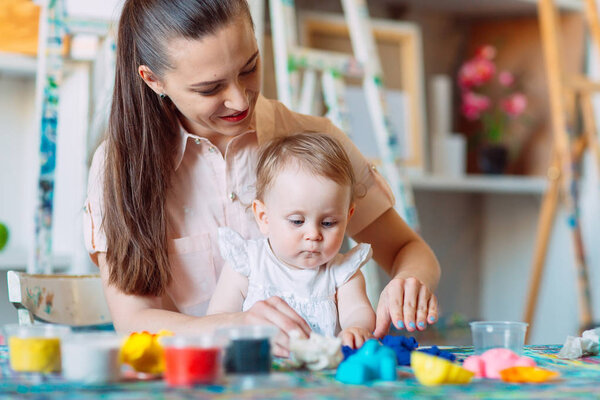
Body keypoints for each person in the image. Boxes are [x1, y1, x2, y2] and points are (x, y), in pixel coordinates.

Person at [83, 0, 440, 356]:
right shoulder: (120, 168)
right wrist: (233, 326)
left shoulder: (315, 142)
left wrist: (410, 282)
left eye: (249, 68)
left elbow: (409, 250)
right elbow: (133, 320)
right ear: (153, 79)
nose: (239, 101)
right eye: (210, 89)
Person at [208, 133, 375, 349]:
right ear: (264, 217)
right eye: (297, 221)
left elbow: (358, 311)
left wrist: (356, 329)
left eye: (329, 223)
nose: (313, 234)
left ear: (347, 216)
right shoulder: (246, 264)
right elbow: (218, 319)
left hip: (322, 376)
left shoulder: (342, 273)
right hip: (260, 371)